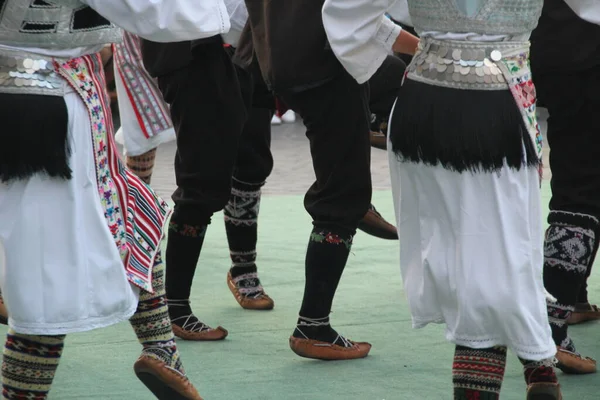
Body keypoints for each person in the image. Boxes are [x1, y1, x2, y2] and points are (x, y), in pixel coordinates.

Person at [323, 0, 562, 397]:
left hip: (426, 102)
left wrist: (422, 46)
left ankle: (537, 360)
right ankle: (536, 359)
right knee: (503, 248)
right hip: (499, 103)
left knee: (471, 257)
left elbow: (345, 16)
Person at [0, 0, 233, 398]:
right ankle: (160, 350)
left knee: (132, 215)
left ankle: (162, 350)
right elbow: (158, 11)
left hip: (46, 99)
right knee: (47, 283)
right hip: (47, 110)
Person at [239, 0, 417, 361]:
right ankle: (313, 325)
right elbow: (351, 17)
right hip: (325, 62)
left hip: (283, 59)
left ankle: (369, 137)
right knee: (342, 195)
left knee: (392, 82)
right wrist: (433, 47)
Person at [139, 0, 275, 342]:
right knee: (201, 179)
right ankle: (175, 307)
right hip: (196, 49)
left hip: (250, 41)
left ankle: (243, 269)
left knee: (251, 160)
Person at [530, 0, 600, 375]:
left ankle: (572, 300)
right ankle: (553, 324)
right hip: (588, 57)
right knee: (583, 190)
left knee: (578, 183)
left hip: (554, 46)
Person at [112, 31, 177, 184]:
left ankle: (136, 196)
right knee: (140, 131)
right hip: (134, 42)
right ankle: (137, 196)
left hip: (167, 37)